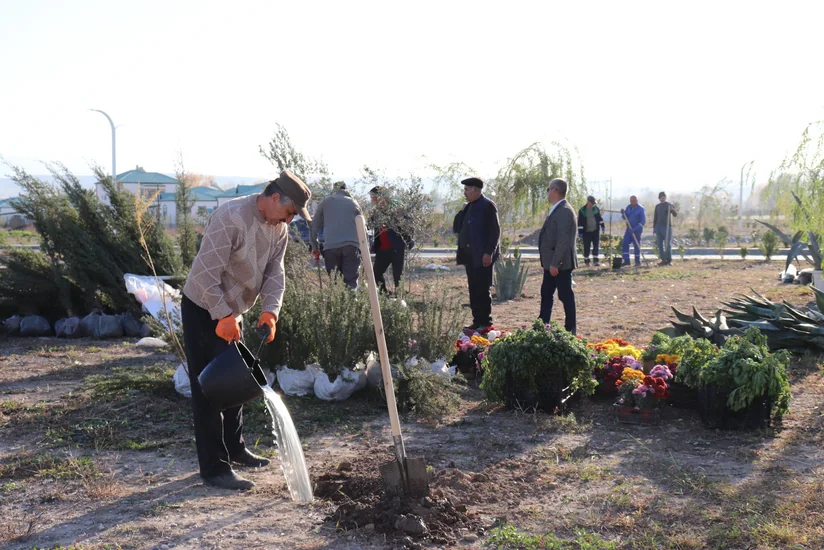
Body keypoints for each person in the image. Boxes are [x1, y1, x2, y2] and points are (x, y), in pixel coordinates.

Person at [181, 170, 311, 491]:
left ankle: (235, 449)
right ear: (274, 198)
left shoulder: (278, 228)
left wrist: (270, 311)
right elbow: (204, 275)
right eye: (289, 212)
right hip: (202, 308)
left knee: (233, 379)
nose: (290, 220)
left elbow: (275, 272)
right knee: (209, 388)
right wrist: (221, 315)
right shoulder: (231, 217)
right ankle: (214, 469)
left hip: (231, 312)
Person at [452, 177, 501, 331]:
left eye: (467, 190)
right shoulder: (469, 207)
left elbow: (495, 232)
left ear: (475, 190)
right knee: (473, 289)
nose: (464, 193)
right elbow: (457, 227)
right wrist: (462, 211)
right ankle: (477, 321)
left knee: (482, 289)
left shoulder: (487, 206)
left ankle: (486, 322)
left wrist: (488, 252)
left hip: (482, 257)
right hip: (470, 257)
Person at [538, 179, 578, 334]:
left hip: (560, 264)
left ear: (555, 190)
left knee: (565, 295)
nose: (547, 192)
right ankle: (542, 325)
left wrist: (555, 263)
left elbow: (563, 239)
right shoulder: (558, 208)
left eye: (548, 189)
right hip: (552, 263)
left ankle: (570, 330)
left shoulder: (564, 210)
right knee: (546, 293)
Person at [310, 182, 362, 288]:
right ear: (346, 190)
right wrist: (365, 247)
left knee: (335, 283)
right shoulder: (354, 202)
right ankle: (352, 297)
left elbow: (314, 226)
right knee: (351, 282)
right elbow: (362, 226)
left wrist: (315, 246)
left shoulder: (325, 201)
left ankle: (337, 298)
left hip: (331, 247)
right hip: (351, 247)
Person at [369, 186, 414, 294]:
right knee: (376, 273)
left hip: (397, 246)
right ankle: (384, 294)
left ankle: (400, 297)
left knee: (398, 275)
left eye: (373, 197)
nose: (372, 200)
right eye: (371, 197)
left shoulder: (396, 206)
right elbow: (370, 224)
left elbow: (408, 224)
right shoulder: (376, 211)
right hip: (383, 247)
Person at [577, 195, 605, 266]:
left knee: (596, 246)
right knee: (586, 247)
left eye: (593, 204)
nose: (593, 205)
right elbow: (580, 222)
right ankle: (587, 261)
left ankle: (595, 260)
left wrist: (602, 226)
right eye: (592, 203)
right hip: (586, 232)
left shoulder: (596, 209)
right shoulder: (582, 210)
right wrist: (580, 232)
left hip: (595, 231)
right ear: (588, 202)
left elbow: (599, 218)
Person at [653, 191, 678, 266]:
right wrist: (654, 228)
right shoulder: (657, 206)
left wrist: (672, 210)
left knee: (667, 244)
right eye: (661, 197)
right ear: (659, 198)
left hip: (666, 227)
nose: (662, 199)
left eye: (663, 197)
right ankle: (663, 259)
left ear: (665, 197)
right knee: (660, 244)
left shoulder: (668, 205)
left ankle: (669, 260)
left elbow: (675, 214)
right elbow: (655, 217)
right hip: (658, 226)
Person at [621, 195, 646, 267]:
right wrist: (623, 213)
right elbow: (625, 217)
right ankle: (626, 261)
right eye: (631, 201)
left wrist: (635, 229)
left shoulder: (641, 209)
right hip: (629, 229)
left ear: (637, 201)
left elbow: (643, 221)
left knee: (636, 245)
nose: (632, 202)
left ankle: (637, 261)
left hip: (637, 230)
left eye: (634, 201)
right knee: (625, 243)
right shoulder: (628, 207)